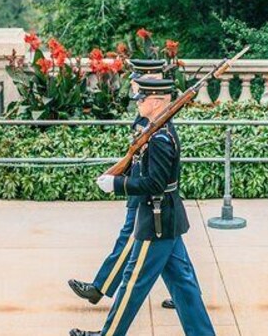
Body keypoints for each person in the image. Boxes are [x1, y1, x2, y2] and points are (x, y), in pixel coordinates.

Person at [70, 77, 215, 336]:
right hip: (167, 219)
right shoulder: (158, 131)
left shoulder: (159, 138)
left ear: (158, 102)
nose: (138, 103)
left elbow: (154, 183)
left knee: (132, 284)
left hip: (156, 221)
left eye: (143, 99)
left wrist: (118, 184)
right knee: (183, 285)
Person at [67, 60, 176, 310]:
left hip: (145, 189)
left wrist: (120, 183)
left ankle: (100, 287)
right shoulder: (147, 114)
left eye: (140, 81)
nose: (135, 88)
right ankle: (184, 297)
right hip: (138, 181)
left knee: (131, 238)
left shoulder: (157, 118)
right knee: (174, 258)